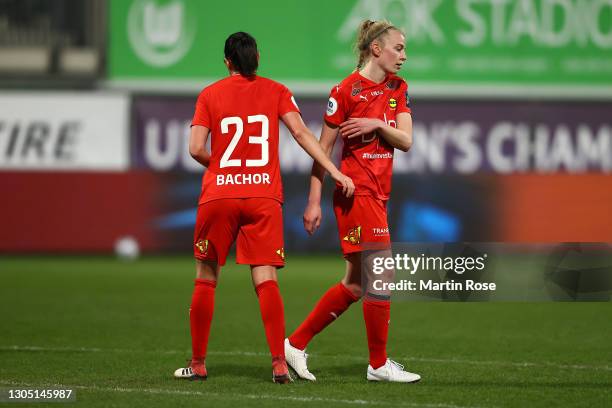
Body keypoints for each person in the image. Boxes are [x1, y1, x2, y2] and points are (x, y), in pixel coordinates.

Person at [173, 32, 354, 384]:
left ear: (227, 61)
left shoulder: (209, 94)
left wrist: (224, 168)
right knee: (266, 279)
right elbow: (302, 135)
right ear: (259, 57)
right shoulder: (276, 91)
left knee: (206, 278)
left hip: (220, 195)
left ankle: (197, 364)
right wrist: (332, 170)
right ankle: (278, 364)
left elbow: (195, 148)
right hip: (263, 197)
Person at [284, 20, 420, 383]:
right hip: (354, 193)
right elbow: (321, 151)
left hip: (379, 193)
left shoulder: (399, 88)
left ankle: (294, 345)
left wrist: (375, 126)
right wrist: (314, 201)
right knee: (382, 273)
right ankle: (378, 365)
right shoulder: (345, 91)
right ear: (376, 49)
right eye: (398, 48)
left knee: (357, 284)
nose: (404, 56)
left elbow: (406, 141)